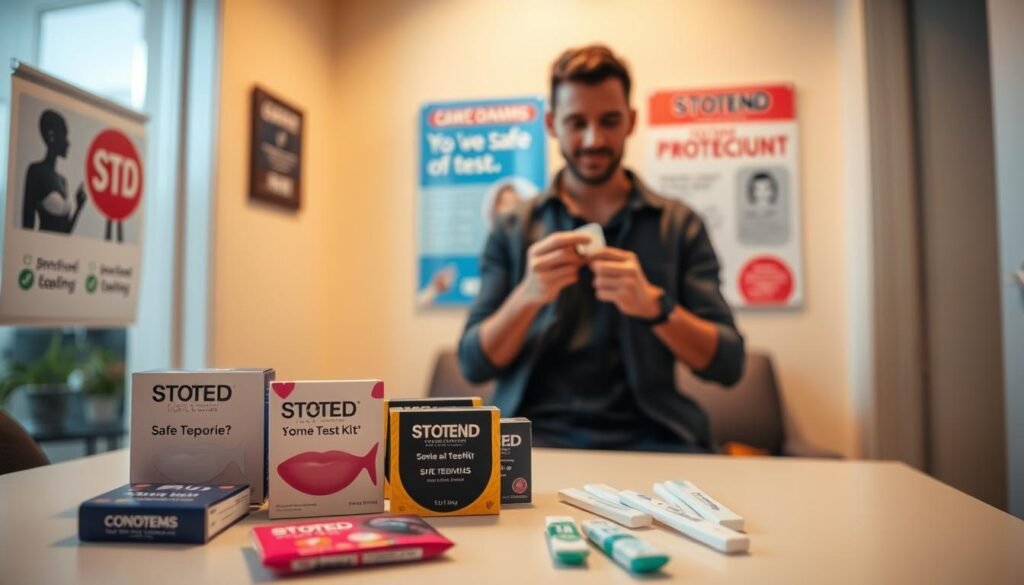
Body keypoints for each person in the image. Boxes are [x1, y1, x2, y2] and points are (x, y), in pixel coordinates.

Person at [458, 45, 745, 453]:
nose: (593, 140)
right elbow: (473, 364)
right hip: (532, 440)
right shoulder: (512, 228)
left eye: (609, 121)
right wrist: (527, 296)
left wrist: (655, 307)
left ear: (631, 121)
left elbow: (728, 365)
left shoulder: (679, 225)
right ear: (552, 124)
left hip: (655, 440)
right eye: (577, 122)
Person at [22, 110, 87, 234]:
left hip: (59, 247)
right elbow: (27, 226)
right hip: (39, 245)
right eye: (64, 136)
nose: (68, 143)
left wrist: (78, 207)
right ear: (51, 136)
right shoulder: (36, 172)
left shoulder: (63, 181)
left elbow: (65, 233)